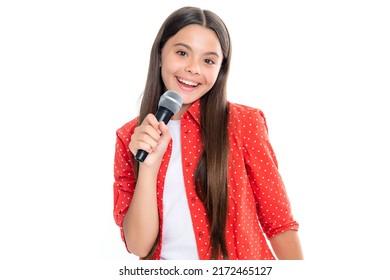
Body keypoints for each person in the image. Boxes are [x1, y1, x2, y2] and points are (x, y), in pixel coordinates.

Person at [113, 6, 303, 260]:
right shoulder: (131, 136)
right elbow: (139, 246)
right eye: (182, 53)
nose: (193, 68)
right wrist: (149, 166)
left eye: (208, 60)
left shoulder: (244, 123)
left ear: (220, 69)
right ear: (160, 54)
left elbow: (278, 221)